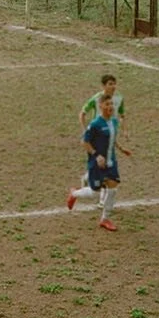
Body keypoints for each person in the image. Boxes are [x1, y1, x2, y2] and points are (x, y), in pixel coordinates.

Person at [66, 94, 130, 231]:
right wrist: (96, 155)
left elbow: (112, 138)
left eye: (111, 104)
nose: (110, 107)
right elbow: (84, 142)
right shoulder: (95, 124)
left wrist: (121, 148)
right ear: (100, 106)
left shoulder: (114, 121)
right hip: (96, 163)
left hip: (111, 162)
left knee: (113, 188)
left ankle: (105, 219)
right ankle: (74, 194)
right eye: (107, 104)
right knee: (95, 193)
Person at [79, 75, 126, 210]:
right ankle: (90, 182)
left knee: (107, 168)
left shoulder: (119, 98)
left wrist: (123, 130)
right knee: (101, 165)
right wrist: (85, 130)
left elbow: (122, 115)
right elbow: (82, 113)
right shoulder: (95, 99)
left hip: (109, 133)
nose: (113, 86)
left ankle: (101, 200)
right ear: (104, 86)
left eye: (114, 83)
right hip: (97, 136)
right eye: (110, 84)